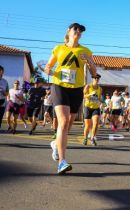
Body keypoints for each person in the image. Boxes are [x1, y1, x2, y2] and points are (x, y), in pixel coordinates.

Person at [44, 22, 99, 174]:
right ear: (68, 31)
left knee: (68, 124)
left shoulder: (85, 50)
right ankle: (62, 162)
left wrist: (88, 61)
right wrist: (47, 69)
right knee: (62, 121)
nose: (78, 31)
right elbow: (49, 66)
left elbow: (94, 71)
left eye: (80, 30)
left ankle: (56, 144)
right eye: (76, 28)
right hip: (59, 86)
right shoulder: (59, 48)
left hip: (76, 89)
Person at [83, 74, 102, 146]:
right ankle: (85, 138)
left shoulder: (100, 88)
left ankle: (92, 138)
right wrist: (90, 94)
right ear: (93, 79)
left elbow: (99, 98)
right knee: (87, 125)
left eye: (98, 78)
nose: (97, 79)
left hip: (96, 107)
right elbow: (84, 96)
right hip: (88, 107)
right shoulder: (88, 86)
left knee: (96, 123)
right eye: (95, 78)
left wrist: (102, 102)